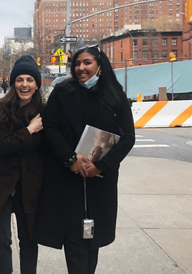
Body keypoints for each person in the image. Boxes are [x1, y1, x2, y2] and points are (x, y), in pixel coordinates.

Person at [35, 45, 135, 273]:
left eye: (87, 62)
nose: (81, 68)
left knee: (93, 239)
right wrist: (70, 159)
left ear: (99, 65)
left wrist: (101, 166)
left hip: (100, 180)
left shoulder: (115, 95)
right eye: (77, 63)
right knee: (74, 238)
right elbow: (51, 128)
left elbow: (128, 137)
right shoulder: (62, 92)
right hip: (68, 178)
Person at [0, 55, 45, 274]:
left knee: (29, 239)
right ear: (12, 82)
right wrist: (29, 130)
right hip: (0, 181)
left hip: (31, 182)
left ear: (36, 84)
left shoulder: (45, 111)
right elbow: (1, 146)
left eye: (29, 80)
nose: (24, 84)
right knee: (1, 240)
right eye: (19, 79)